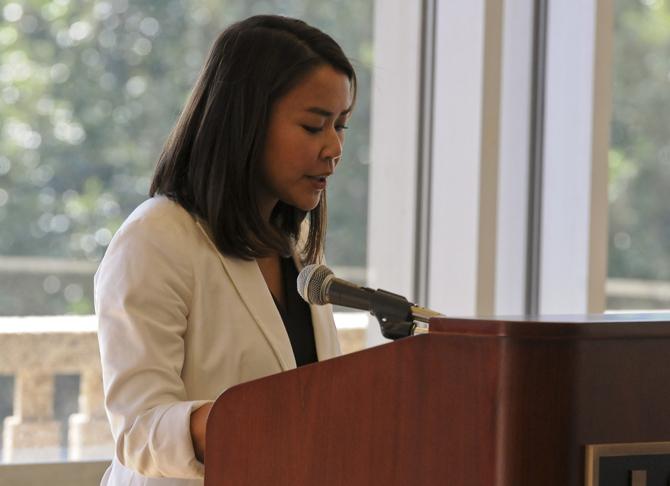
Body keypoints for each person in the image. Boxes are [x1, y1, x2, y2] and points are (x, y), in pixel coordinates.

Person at [94, 14, 356, 485]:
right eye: (314, 126)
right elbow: (136, 431)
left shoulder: (292, 249)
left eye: (341, 125)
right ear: (246, 120)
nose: (334, 148)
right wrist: (255, 421)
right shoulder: (155, 239)